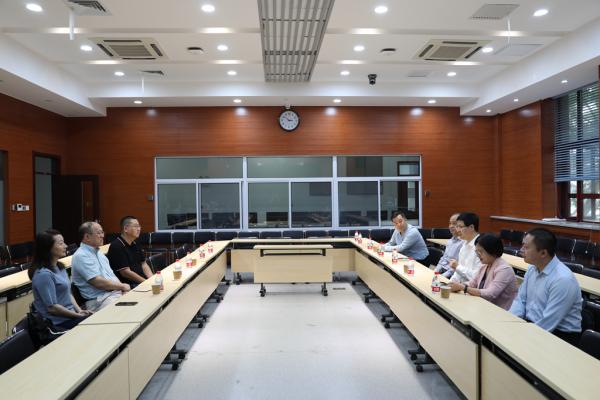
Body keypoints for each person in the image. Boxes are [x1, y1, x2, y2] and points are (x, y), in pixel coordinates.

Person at [509, 228, 582, 346]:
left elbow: (549, 322)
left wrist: (521, 336)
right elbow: (520, 301)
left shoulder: (562, 280)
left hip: (560, 336)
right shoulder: (532, 269)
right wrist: (510, 322)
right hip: (533, 325)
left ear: (543, 253)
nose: (521, 250)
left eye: (526, 247)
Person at [29, 229, 93, 330]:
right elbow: (53, 308)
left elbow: (68, 294)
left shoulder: (60, 267)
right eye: (61, 243)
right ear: (48, 248)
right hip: (58, 323)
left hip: (70, 317)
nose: (65, 246)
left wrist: (79, 310)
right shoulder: (44, 275)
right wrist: (78, 316)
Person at [71, 221, 130, 311]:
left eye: (102, 232)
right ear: (87, 237)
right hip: (99, 301)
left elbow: (112, 276)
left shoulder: (99, 253)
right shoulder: (81, 255)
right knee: (128, 311)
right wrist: (122, 286)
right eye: (98, 233)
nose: (102, 236)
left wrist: (123, 289)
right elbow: (98, 282)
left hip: (114, 293)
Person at [450, 234, 517, 310]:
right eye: (476, 252)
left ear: (492, 250)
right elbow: (472, 283)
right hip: (483, 307)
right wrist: (457, 285)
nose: (478, 255)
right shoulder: (484, 265)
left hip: (499, 311)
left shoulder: (504, 269)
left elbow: (490, 294)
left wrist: (463, 288)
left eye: (480, 251)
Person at [107, 216, 153, 287]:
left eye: (139, 226)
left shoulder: (136, 243)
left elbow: (144, 264)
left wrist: (152, 280)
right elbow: (126, 272)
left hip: (142, 281)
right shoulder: (116, 246)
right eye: (136, 226)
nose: (139, 229)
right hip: (130, 285)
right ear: (125, 229)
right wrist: (146, 283)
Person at [449, 212, 482, 284]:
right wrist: (450, 283)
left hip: (472, 288)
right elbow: (458, 273)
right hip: (461, 286)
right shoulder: (464, 244)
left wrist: (457, 266)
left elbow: (478, 278)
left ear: (471, 227)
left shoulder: (481, 247)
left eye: (460, 227)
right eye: (457, 226)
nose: (457, 230)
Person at [433, 213, 464, 278]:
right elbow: (443, 258)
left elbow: (455, 267)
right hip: (443, 270)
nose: (451, 226)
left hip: (452, 275)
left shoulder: (463, 243)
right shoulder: (450, 241)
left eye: (454, 223)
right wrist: (435, 271)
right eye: (450, 223)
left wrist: (442, 277)